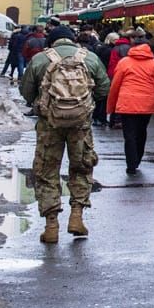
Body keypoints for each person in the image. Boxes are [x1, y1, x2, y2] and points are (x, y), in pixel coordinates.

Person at [20, 25, 109, 243]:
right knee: (81, 167)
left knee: (47, 171)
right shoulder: (89, 58)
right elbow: (104, 87)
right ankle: (76, 217)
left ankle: (51, 226)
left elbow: (26, 91)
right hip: (80, 125)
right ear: (73, 40)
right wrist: (84, 104)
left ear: (52, 42)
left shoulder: (41, 59)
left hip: (49, 125)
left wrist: (42, 104)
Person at [107, 36, 154, 176]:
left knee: (129, 135)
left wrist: (111, 107)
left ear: (132, 47)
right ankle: (137, 159)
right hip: (147, 104)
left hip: (127, 103)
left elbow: (115, 86)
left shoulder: (124, 62)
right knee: (141, 132)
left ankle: (131, 164)